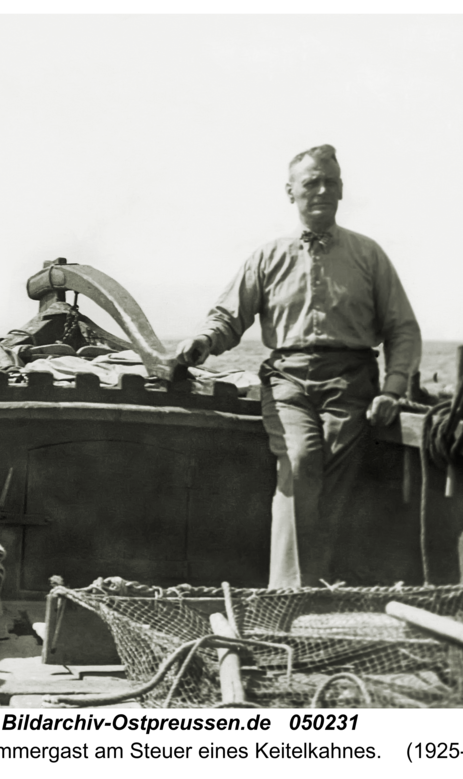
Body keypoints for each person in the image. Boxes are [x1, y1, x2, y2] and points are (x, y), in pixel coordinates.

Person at [175, 145, 421, 589]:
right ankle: (287, 593)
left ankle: (325, 587)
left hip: (353, 383)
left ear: (342, 190)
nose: (322, 190)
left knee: (335, 474)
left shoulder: (369, 255)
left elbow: (402, 329)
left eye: (331, 182)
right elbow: (229, 317)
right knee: (301, 459)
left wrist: (394, 388)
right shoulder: (268, 256)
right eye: (311, 182)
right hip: (289, 382)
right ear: (290, 192)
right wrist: (202, 342)